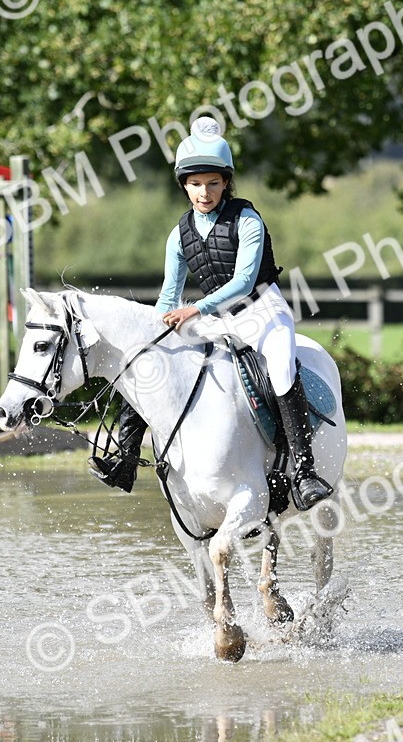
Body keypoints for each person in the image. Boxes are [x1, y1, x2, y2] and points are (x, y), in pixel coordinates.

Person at [90, 117, 333, 511]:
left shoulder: (247, 220)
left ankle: (304, 472)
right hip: (219, 320)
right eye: (196, 184)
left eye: (214, 183)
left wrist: (195, 308)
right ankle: (126, 459)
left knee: (281, 368)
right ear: (184, 185)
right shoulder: (179, 234)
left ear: (226, 183)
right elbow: (169, 294)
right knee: (147, 361)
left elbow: (242, 281)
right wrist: (149, 334)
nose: (205, 192)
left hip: (263, 311)